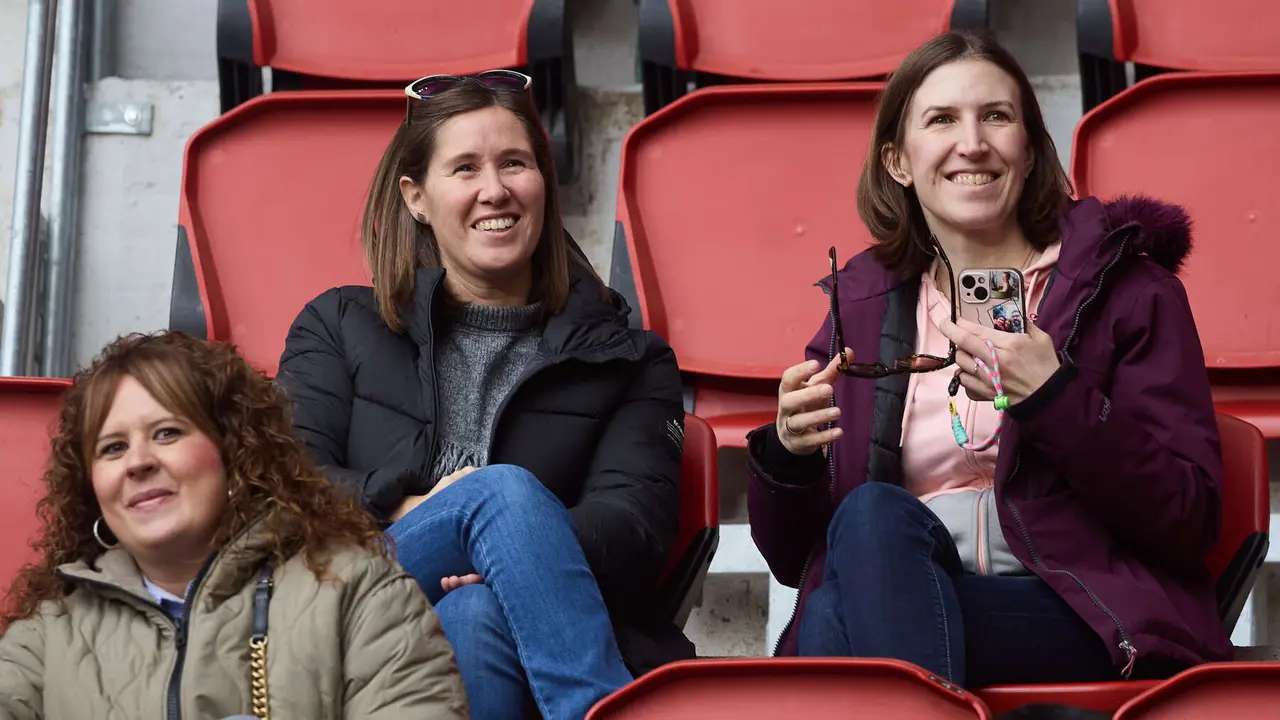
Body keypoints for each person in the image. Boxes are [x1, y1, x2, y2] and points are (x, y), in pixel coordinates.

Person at [748, 31, 1229, 688]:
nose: (972, 143)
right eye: (942, 120)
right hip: (905, 590)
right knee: (868, 522)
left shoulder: (1130, 293)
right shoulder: (858, 309)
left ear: (1028, 151)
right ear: (898, 161)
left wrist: (1056, 399)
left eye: (996, 116)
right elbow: (790, 557)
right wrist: (788, 457)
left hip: (1081, 609)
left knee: (836, 624)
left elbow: (1188, 518)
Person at [278, 69, 688, 718]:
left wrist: (509, 558)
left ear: (543, 182)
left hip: (518, 623)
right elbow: (286, 484)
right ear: (416, 197)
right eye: (465, 168)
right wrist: (423, 507)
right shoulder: (337, 325)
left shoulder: (628, 359)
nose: (494, 190)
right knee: (499, 493)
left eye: (514, 163)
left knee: (473, 610)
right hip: (356, 599)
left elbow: (633, 528)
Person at [0, 332, 468, 718]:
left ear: (233, 452)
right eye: (113, 448)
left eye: (166, 433)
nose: (138, 462)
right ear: (92, 486)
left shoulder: (358, 591)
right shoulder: (46, 638)